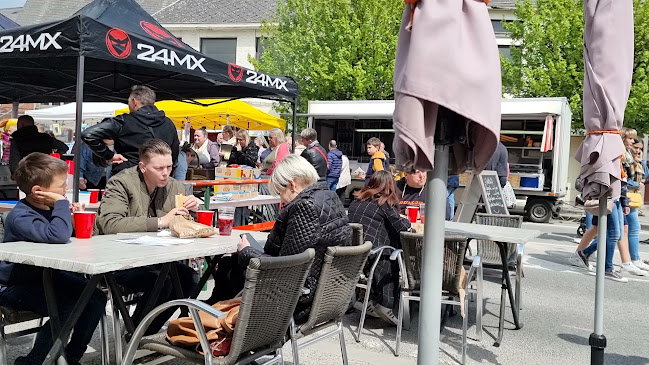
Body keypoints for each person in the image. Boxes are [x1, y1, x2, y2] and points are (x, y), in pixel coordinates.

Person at [208, 155, 352, 323]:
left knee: (229, 269)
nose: (281, 200)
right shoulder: (330, 197)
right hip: (328, 296)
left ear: (292, 184)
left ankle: (209, 322)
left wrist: (247, 252)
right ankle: (210, 317)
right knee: (230, 266)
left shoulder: (305, 207)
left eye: (279, 192)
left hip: (297, 301)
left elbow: (287, 268)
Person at [0, 153, 106, 365]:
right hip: (15, 285)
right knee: (65, 305)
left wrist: (73, 217)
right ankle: (36, 360)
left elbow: (69, 239)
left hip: (48, 277)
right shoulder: (20, 216)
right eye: (60, 187)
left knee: (94, 298)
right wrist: (60, 204)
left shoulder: (50, 210)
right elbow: (56, 237)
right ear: (38, 191)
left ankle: (72, 355)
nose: (65, 190)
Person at [96, 139, 199, 333]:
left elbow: (182, 225)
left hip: (157, 258)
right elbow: (109, 223)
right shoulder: (121, 183)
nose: (165, 173)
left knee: (190, 279)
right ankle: (137, 333)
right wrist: (160, 222)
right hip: (120, 260)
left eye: (169, 166)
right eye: (159, 168)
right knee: (163, 282)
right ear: (142, 167)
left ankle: (144, 332)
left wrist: (191, 212)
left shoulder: (175, 187)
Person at [348, 170, 411, 325]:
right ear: (390, 186)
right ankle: (385, 305)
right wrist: (408, 220)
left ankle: (368, 300)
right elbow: (401, 226)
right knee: (393, 254)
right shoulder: (383, 202)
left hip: (354, 255)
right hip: (375, 255)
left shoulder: (357, 201)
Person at [80, 85, 180, 177]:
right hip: (157, 179)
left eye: (128, 103)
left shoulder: (124, 121)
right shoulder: (168, 123)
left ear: (134, 101)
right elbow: (174, 155)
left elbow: (87, 134)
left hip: (127, 177)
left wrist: (109, 155)